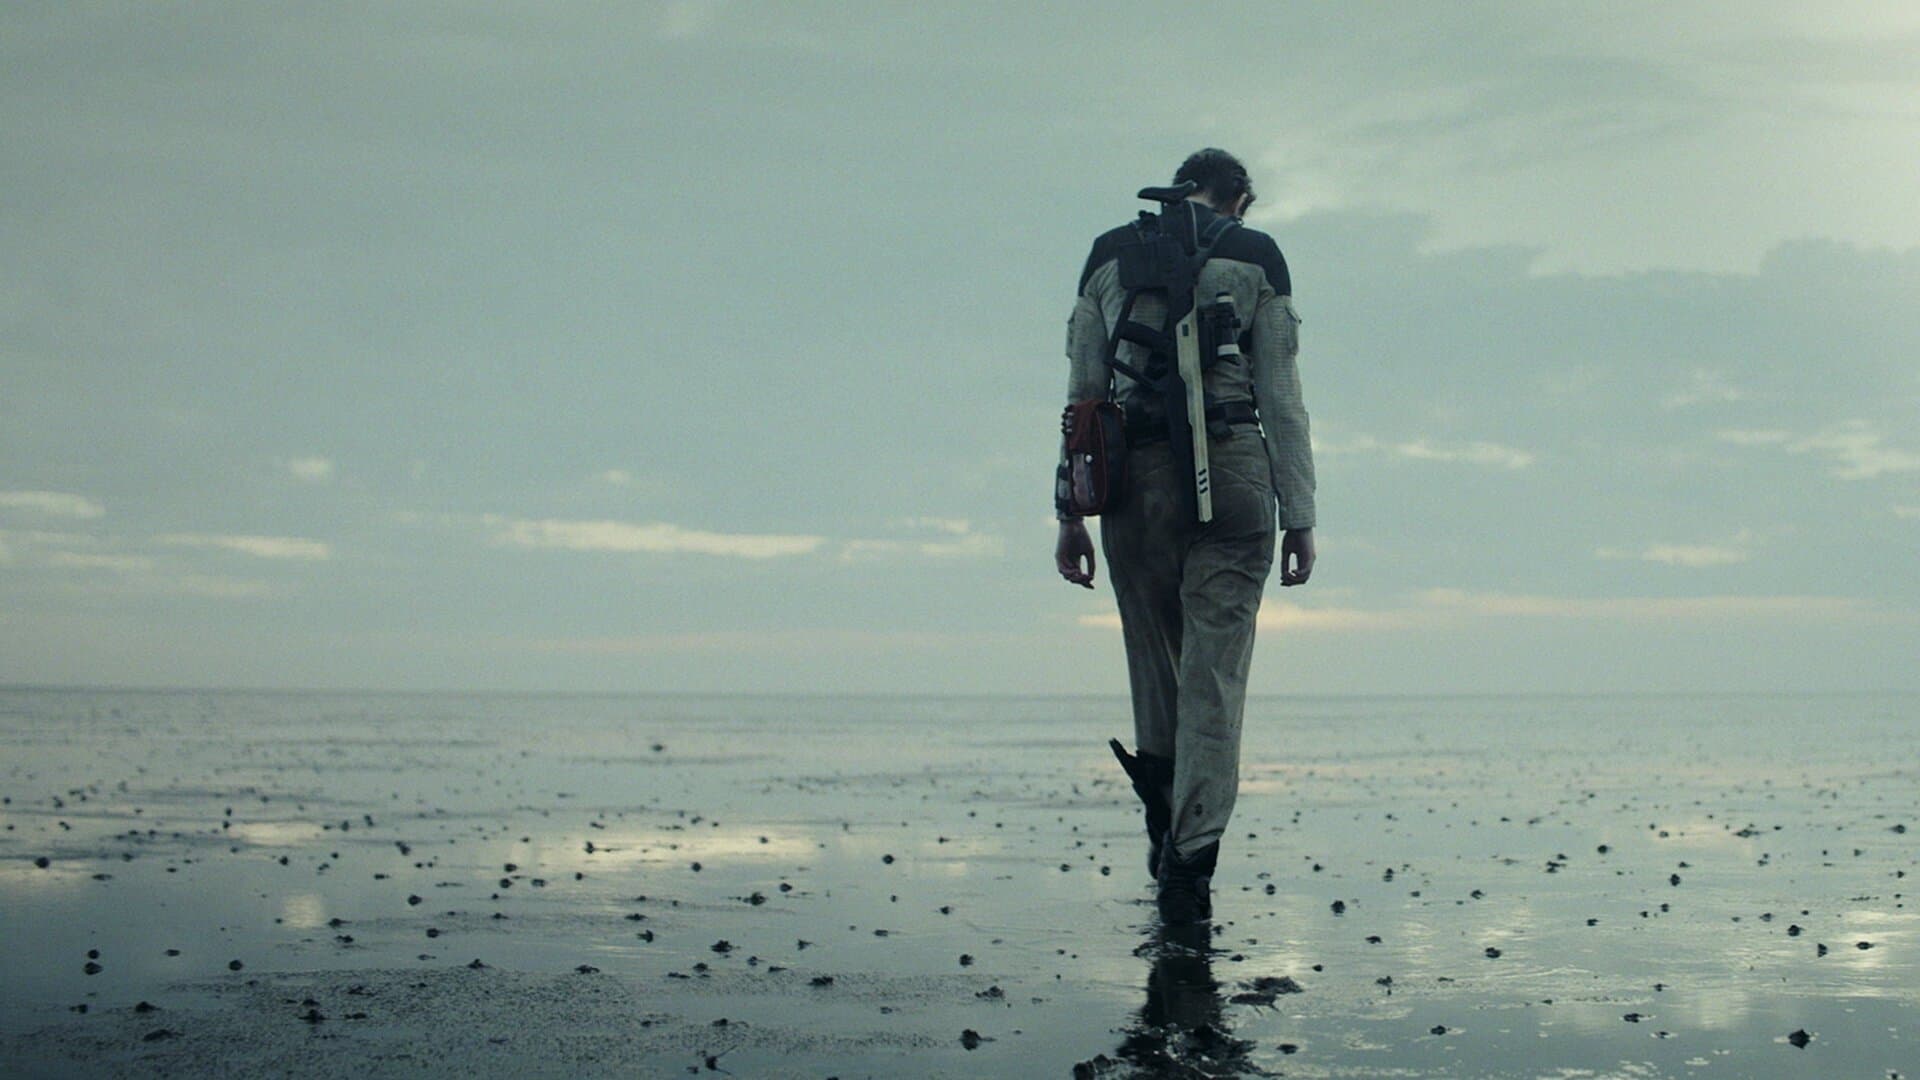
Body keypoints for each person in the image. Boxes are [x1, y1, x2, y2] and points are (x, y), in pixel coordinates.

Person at [1055, 148, 1316, 924]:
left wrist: (1069, 514)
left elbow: (1083, 399)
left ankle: (1160, 834)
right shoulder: (1257, 255)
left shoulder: (1109, 254)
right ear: (1239, 198)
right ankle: (1189, 870)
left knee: (1156, 669)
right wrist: (1300, 513)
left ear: (1181, 186)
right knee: (1215, 679)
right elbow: (1281, 397)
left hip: (1133, 485)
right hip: (1235, 478)